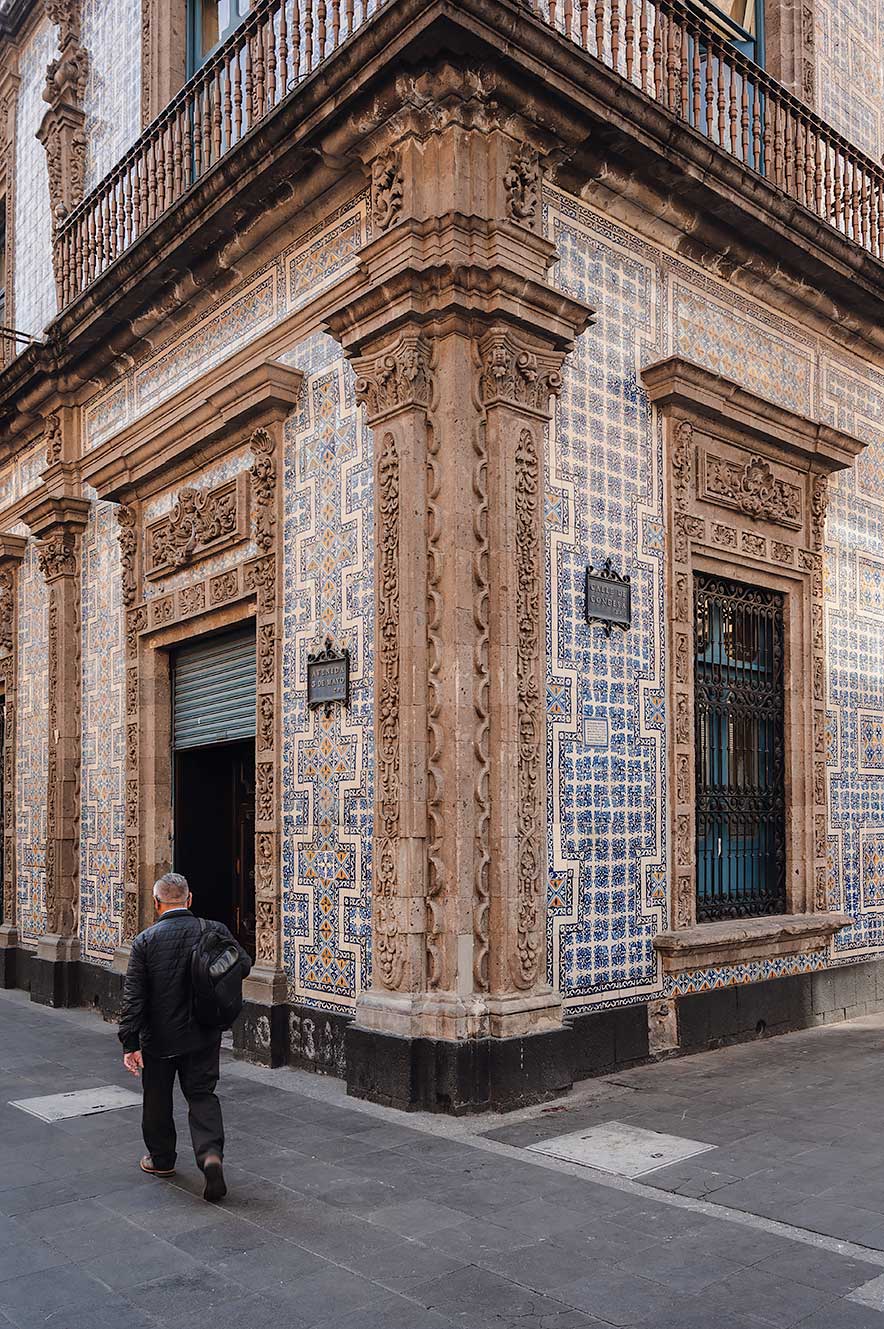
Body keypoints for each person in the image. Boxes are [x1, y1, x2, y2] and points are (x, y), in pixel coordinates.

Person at [118, 872, 252, 1202]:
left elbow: (133, 998)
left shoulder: (145, 941)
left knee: (157, 1098)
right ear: (189, 900)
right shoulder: (214, 930)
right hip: (203, 1035)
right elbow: (244, 964)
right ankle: (210, 1156)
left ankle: (161, 1160)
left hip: (159, 1039)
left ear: (156, 903)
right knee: (202, 1095)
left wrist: (129, 1043)